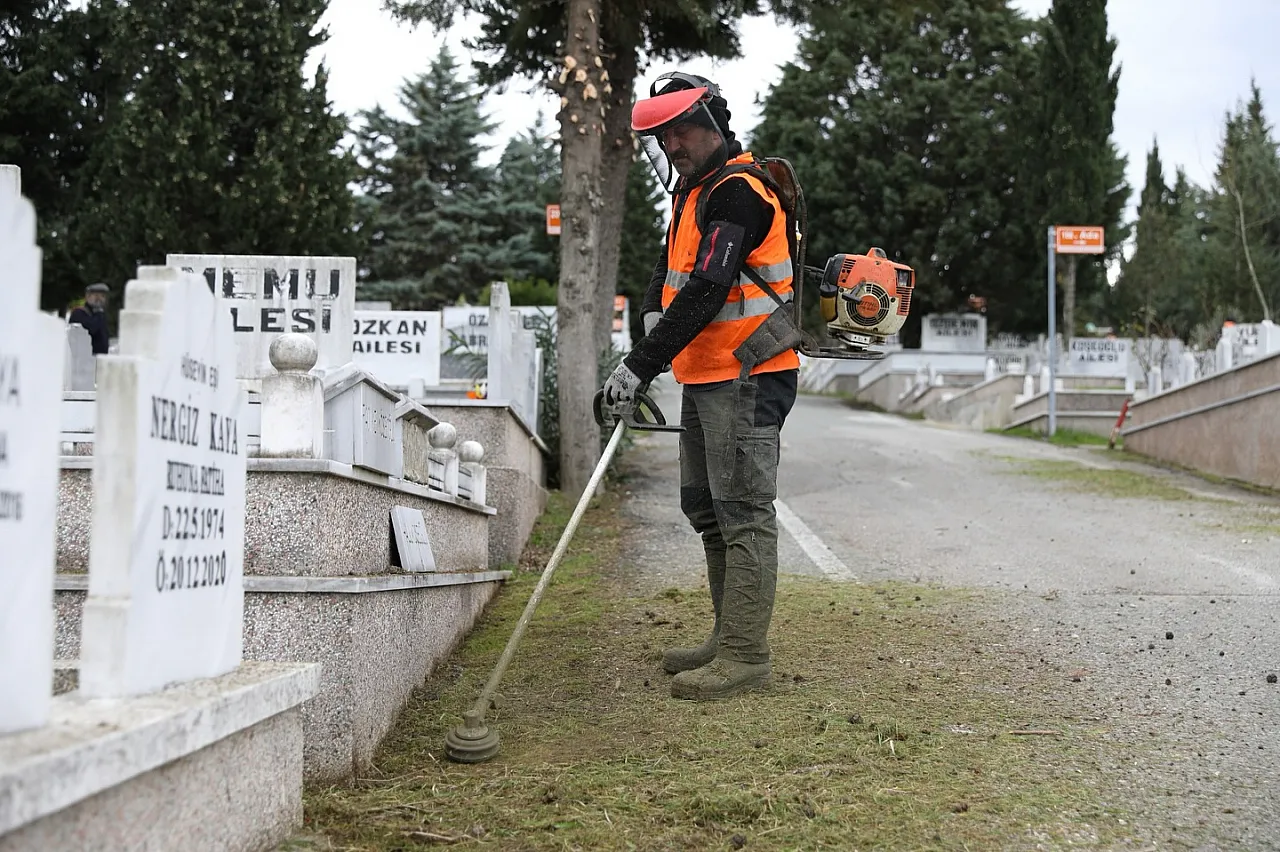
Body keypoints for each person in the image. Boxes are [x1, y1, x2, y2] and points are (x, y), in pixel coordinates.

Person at [598, 71, 800, 701]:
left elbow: (710, 289)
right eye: (662, 138)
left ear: (712, 124)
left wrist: (639, 363)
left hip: (749, 375)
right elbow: (672, 275)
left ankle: (745, 655)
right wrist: (653, 318)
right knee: (705, 508)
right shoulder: (692, 192)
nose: (671, 145)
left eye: (679, 131)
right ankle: (726, 635)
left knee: (743, 512)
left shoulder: (739, 193)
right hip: (708, 374)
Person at [68, 283, 111, 354]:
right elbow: (91, 329)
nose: (99, 299)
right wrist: (99, 313)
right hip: (84, 358)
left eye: (102, 296)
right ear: (87, 297)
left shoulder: (100, 315)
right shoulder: (79, 313)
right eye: (96, 296)